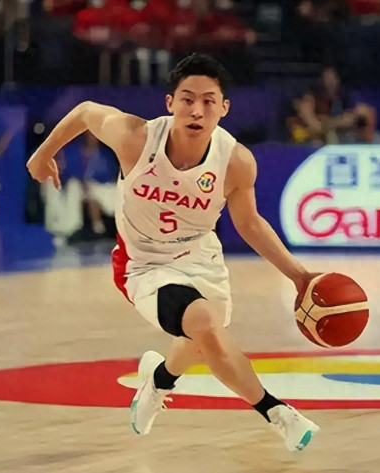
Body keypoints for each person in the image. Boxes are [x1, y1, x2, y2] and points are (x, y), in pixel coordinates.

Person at [27, 53, 321, 452]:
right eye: (187, 99)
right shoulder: (136, 138)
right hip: (143, 264)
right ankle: (278, 413)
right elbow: (84, 111)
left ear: (224, 108)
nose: (197, 110)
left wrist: (299, 276)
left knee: (202, 340)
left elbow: (249, 224)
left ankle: (159, 380)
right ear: (170, 103)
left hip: (201, 257)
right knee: (204, 326)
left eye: (208, 101)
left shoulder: (235, 161)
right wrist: (44, 153)